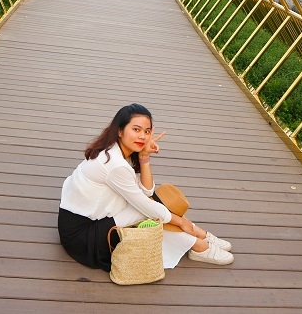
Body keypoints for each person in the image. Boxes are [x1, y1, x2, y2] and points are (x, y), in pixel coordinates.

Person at [58, 103, 234, 272]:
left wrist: (144, 157)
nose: (142, 136)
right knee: (153, 210)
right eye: (136, 130)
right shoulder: (114, 164)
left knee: (156, 206)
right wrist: (181, 221)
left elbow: (146, 191)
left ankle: (196, 236)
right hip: (83, 237)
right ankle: (197, 242)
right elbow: (146, 203)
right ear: (120, 131)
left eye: (147, 131)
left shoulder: (119, 153)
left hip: (92, 221)